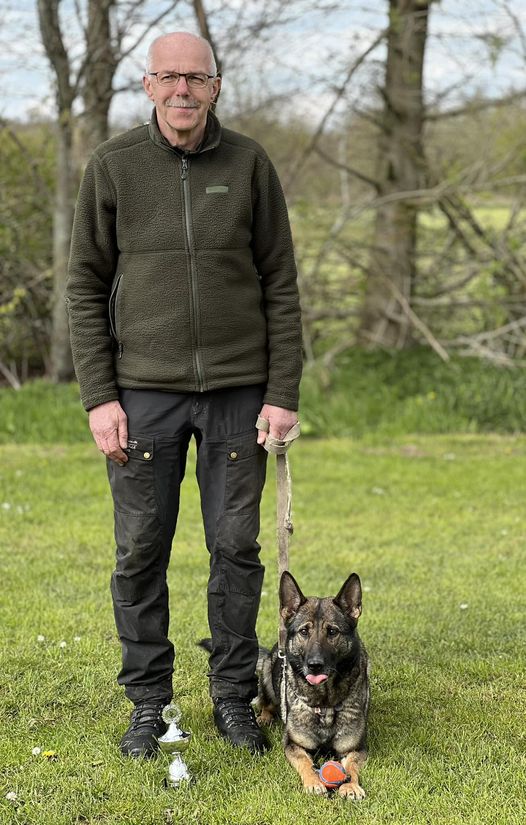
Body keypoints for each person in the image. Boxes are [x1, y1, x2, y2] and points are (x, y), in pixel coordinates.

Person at [66, 31, 302, 759]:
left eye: (195, 79)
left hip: (238, 393)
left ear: (216, 86)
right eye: (168, 77)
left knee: (236, 545)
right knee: (140, 548)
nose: (182, 91)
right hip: (141, 395)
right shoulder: (112, 167)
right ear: (147, 85)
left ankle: (234, 696)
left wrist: (282, 390)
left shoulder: (250, 164)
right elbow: (82, 288)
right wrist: (100, 396)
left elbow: (282, 285)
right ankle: (148, 700)